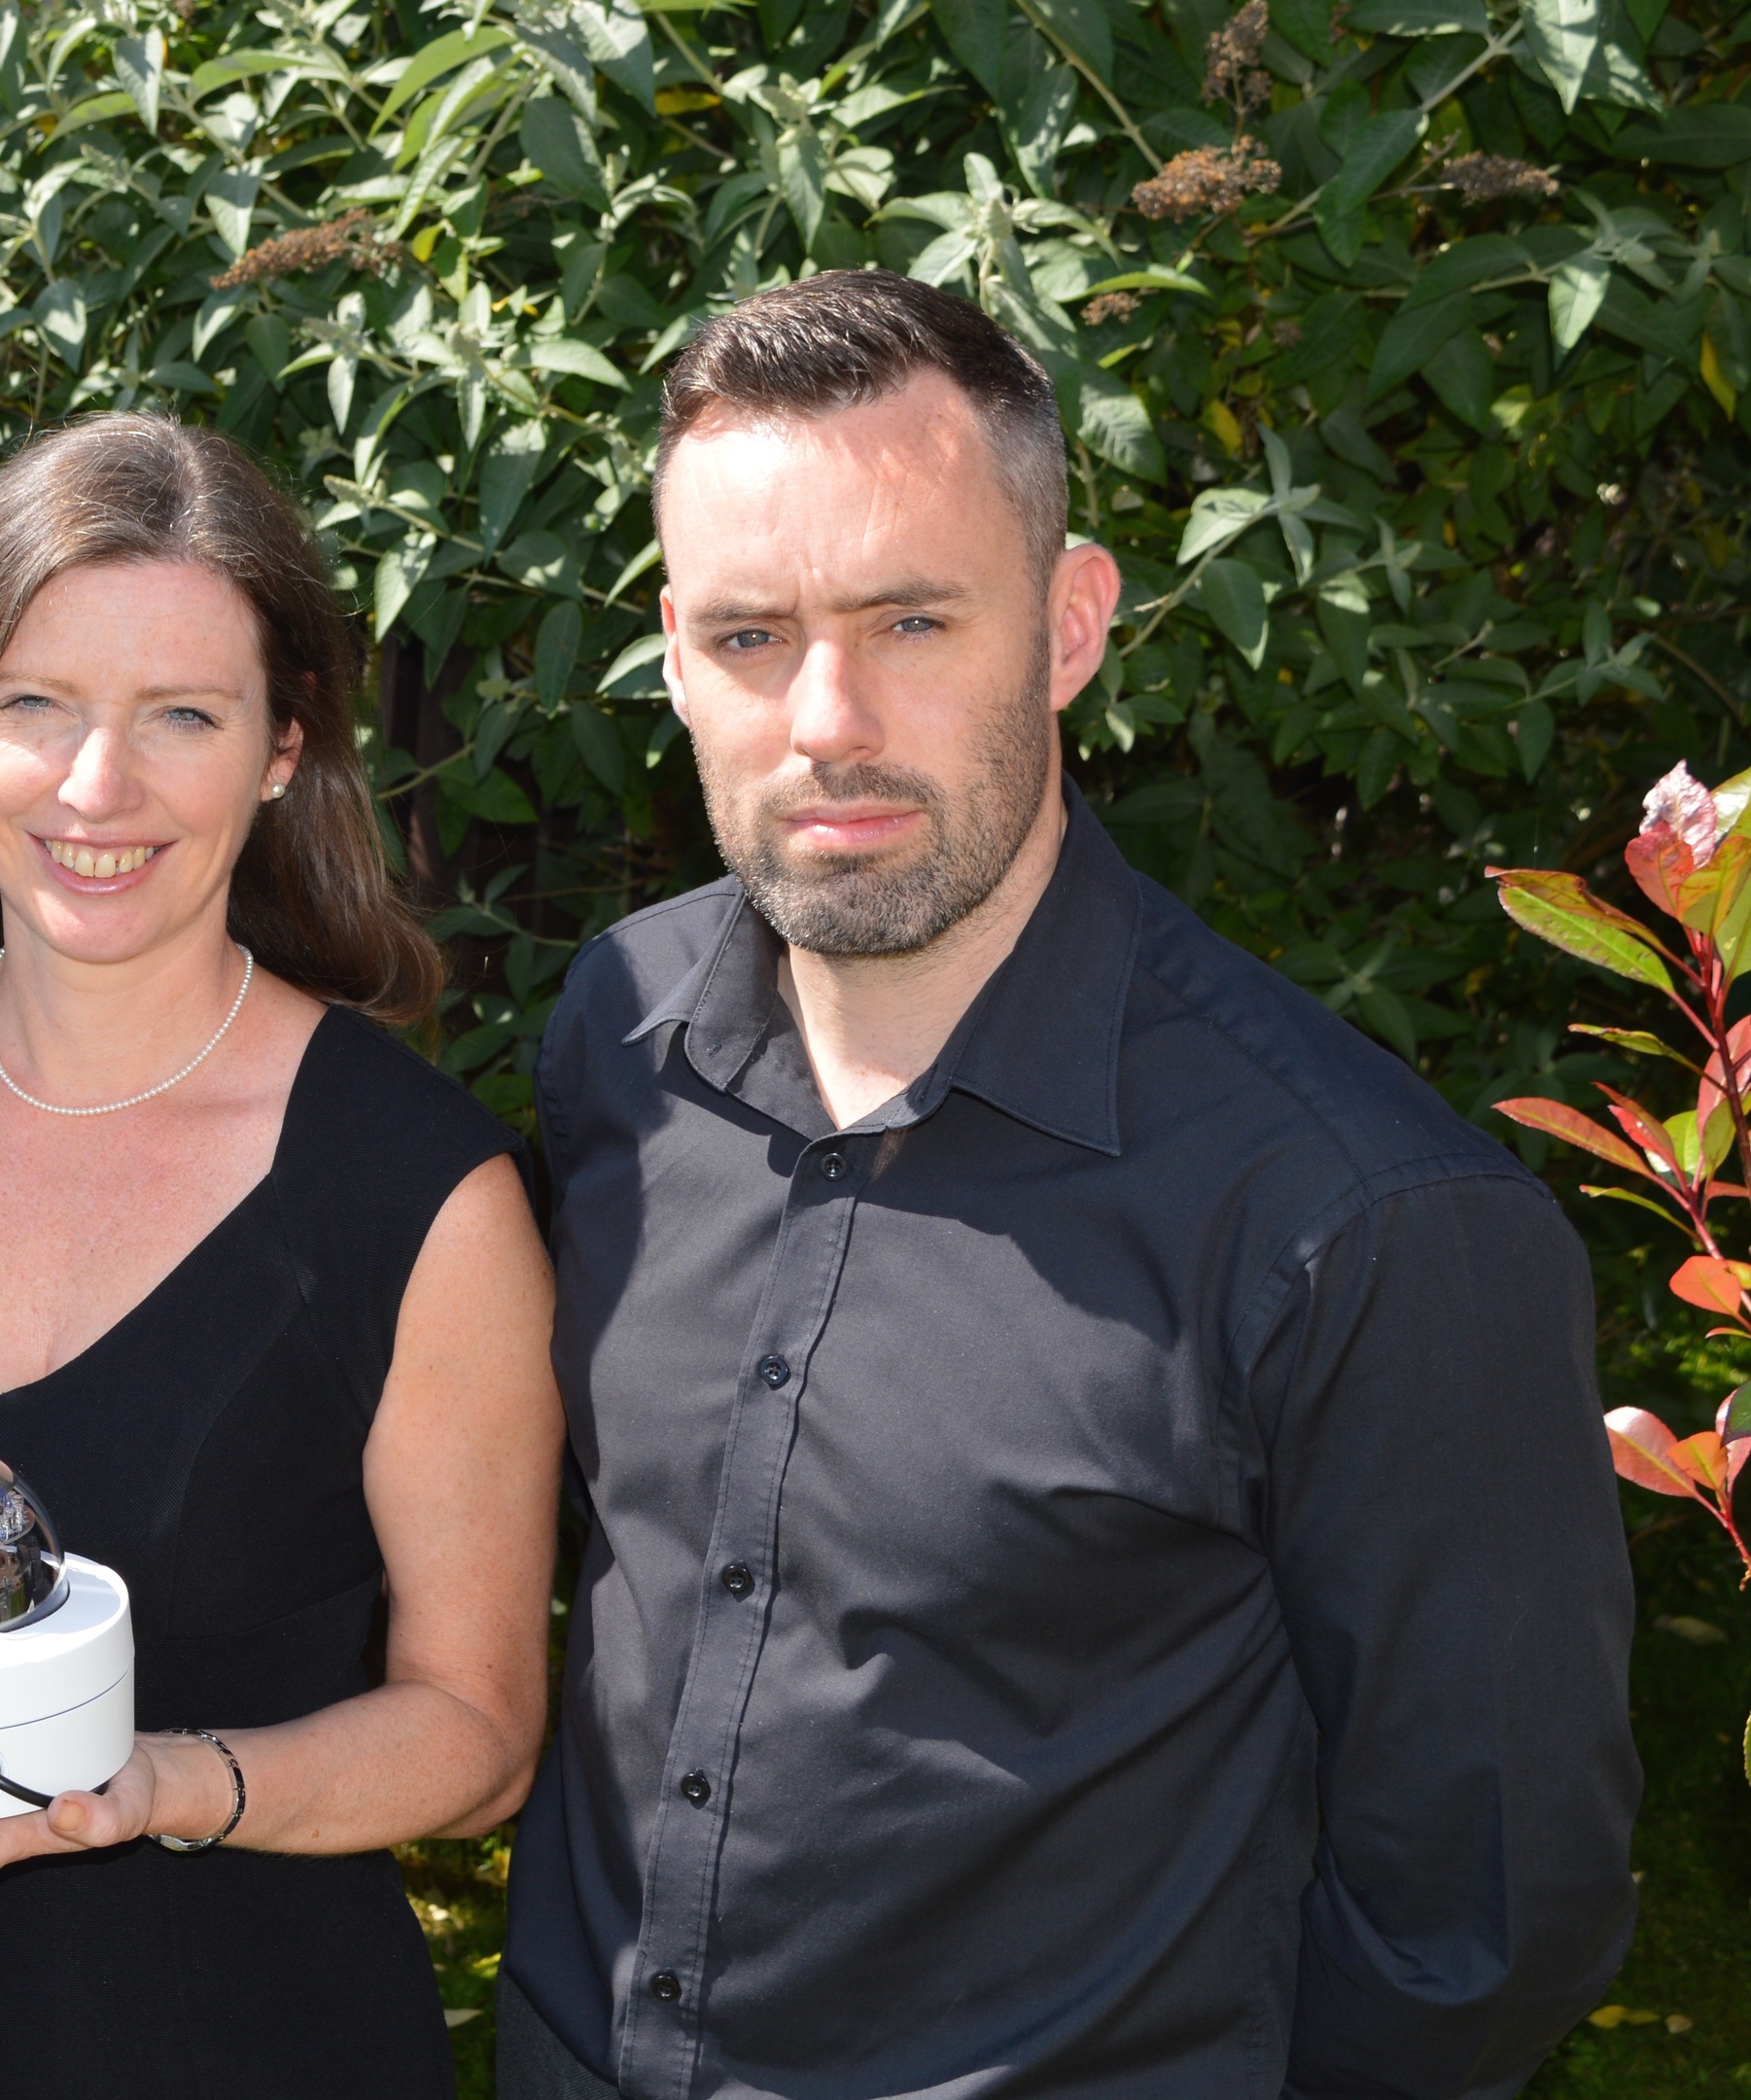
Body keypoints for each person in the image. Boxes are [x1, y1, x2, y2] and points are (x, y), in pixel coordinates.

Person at [498, 268, 1641, 2098]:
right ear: (666, 650)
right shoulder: (616, 1037)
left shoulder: (1362, 1226)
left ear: (1071, 622)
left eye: (912, 621)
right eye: (746, 637)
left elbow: (1485, 1927)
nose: (825, 721)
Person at [0, 414, 565, 2097]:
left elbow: (478, 1735)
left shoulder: (417, 1190)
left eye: (181, 717)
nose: (94, 787)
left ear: (283, 751)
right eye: (35, 705)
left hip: (243, 2042)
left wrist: (158, 1786)